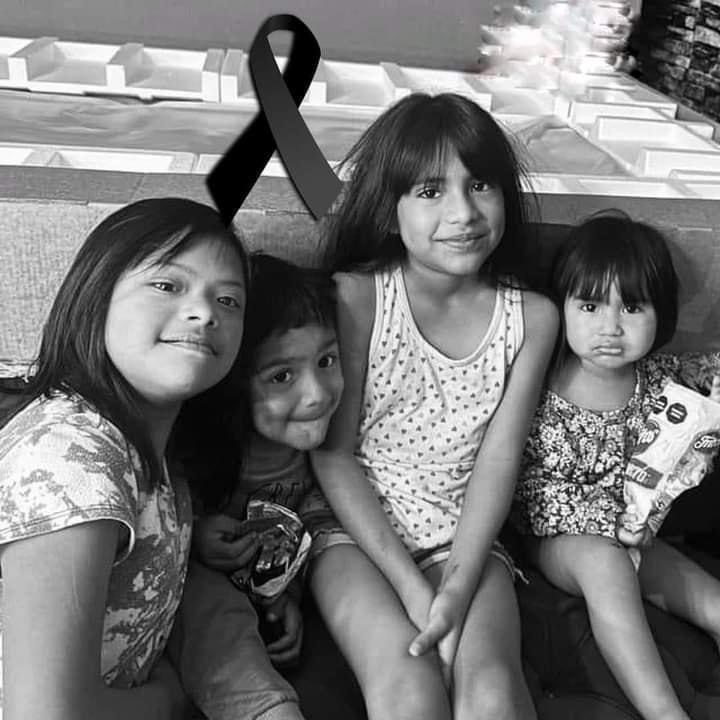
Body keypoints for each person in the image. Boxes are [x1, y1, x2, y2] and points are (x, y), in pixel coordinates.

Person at [310, 91, 558, 720]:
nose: (463, 213)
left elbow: (497, 462)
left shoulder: (531, 319)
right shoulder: (359, 297)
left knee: (492, 695)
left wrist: (456, 588)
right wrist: (414, 592)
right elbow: (333, 456)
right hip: (354, 536)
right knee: (408, 688)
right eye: (429, 191)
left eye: (480, 185)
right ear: (389, 210)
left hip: (464, 538)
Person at [0, 197, 249, 720]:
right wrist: (169, 697)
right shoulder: (72, 460)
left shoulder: (162, 448)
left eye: (228, 300)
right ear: (95, 297)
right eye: (167, 285)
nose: (205, 312)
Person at [511, 212, 720, 720]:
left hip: (637, 538)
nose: (610, 327)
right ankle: (665, 713)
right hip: (559, 540)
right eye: (589, 305)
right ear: (561, 307)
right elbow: (531, 491)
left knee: (715, 605)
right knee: (606, 566)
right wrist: (613, 528)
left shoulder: (663, 381)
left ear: (660, 314)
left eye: (631, 307)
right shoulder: (537, 381)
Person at [169, 253, 344, 720]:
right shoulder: (197, 452)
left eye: (327, 360)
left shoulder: (325, 459)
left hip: (265, 594)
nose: (317, 394)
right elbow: (158, 520)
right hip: (199, 592)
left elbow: (311, 534)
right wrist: (196, 534)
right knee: (212, 608)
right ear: (231, 382)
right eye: (282, 376)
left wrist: (285, 597)